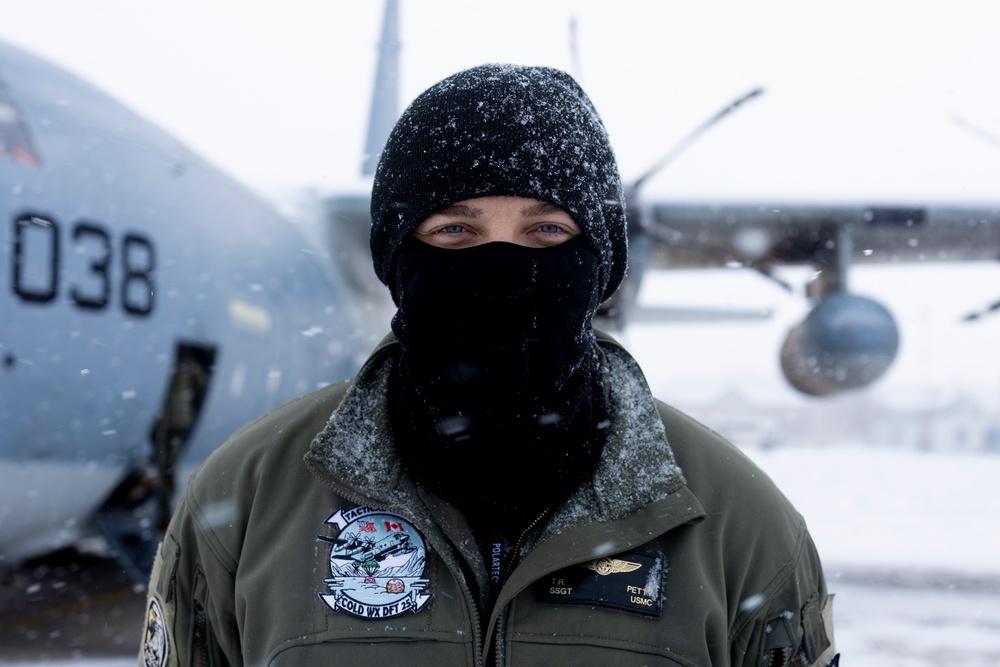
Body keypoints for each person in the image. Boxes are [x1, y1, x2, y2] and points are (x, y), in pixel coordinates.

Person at [139, 64, 838, 667]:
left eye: (546, 232)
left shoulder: (740, 523)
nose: (502, 271)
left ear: (598, 264)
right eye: (454, 231)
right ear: (396, 259)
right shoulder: (246, 502)